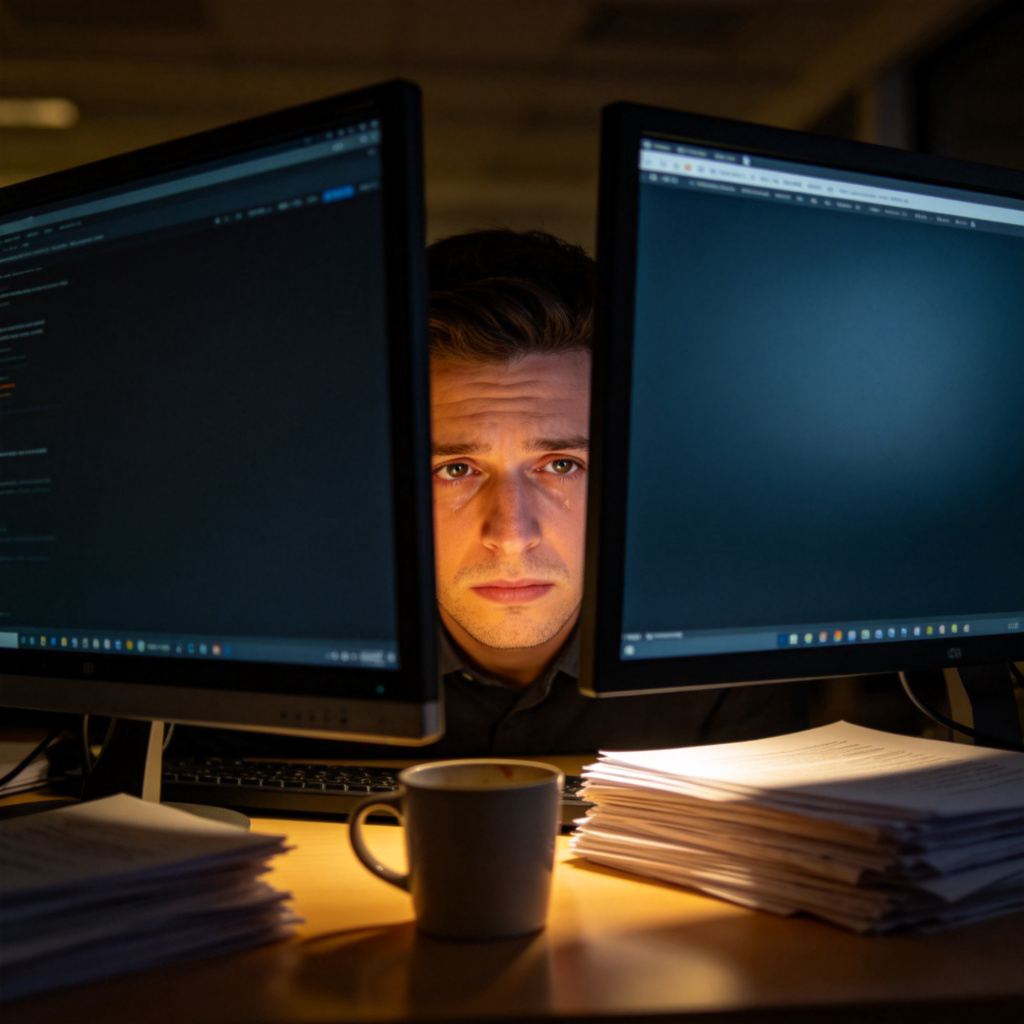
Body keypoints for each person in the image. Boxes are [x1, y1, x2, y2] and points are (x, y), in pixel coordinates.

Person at [171, 229, 806, 760]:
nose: (511, 533)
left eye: (561, 464)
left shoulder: (728, 656)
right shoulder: (260, 654)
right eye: (455, 470)